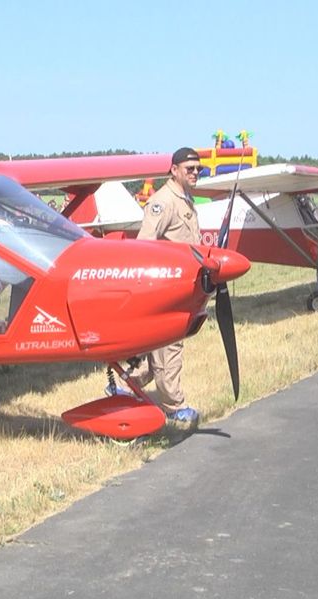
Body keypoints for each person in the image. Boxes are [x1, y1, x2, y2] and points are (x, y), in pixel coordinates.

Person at [128, 147, 204, 426]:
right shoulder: (163, 202)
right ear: (174, 170)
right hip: (165, 288)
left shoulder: (185, 199)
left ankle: (125, 389)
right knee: (169, 347)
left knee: (156, 350)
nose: (196, 173)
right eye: (190, 168)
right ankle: (174, 407)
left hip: (185, 286)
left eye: (199, 169)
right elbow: (145, 244)